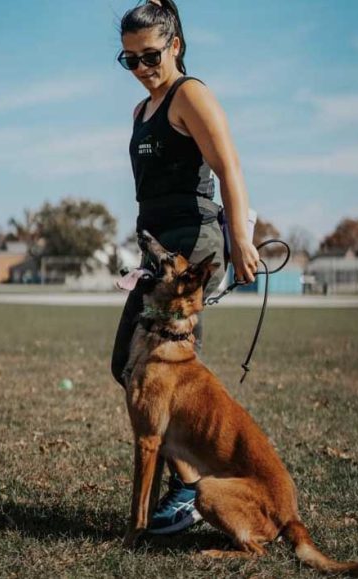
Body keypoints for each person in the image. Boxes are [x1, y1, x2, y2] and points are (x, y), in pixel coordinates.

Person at [109, 0, 261, 535]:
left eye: (150, 56)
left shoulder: (189, 94)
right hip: (158, 246)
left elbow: (229, 167)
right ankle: (190, 484)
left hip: (192, 246)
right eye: (129, 60)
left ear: (174, 45)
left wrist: (240, 239)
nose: (141, 68)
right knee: (133, 367)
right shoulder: (141, 111)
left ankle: (187, 490)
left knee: (155, 369)